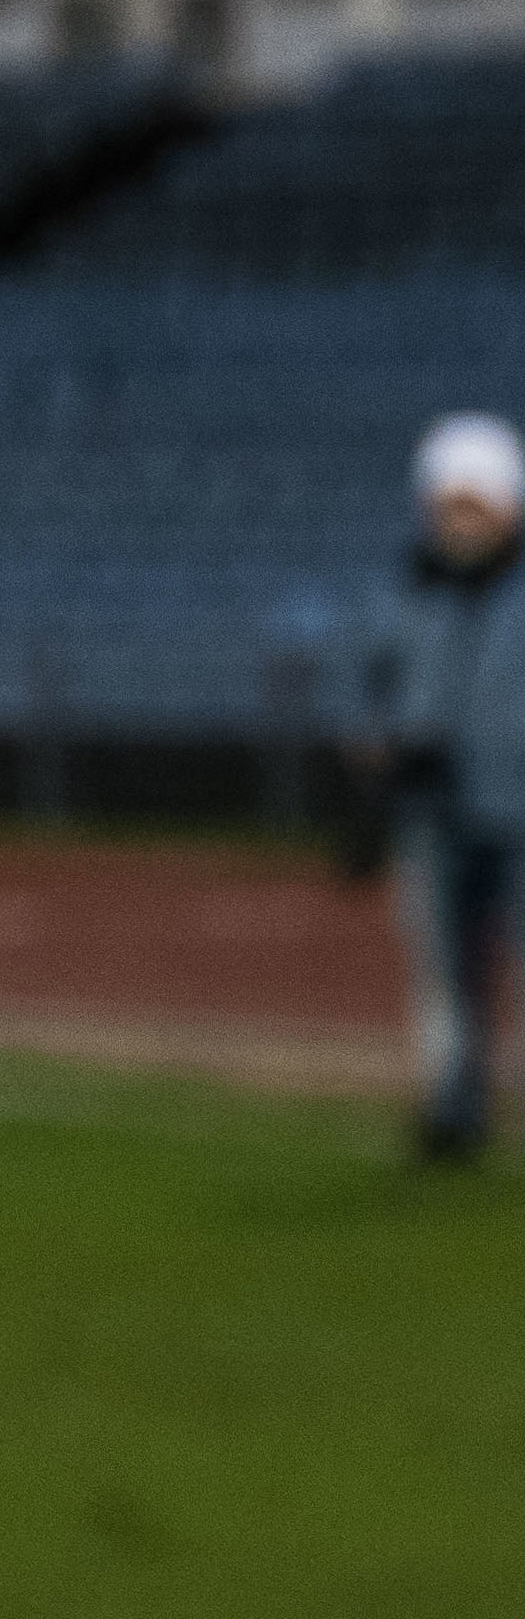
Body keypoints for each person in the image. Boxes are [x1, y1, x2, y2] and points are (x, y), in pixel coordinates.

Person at [358, 410, 525, 1159]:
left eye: (474, 505)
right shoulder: (411, 590)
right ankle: (454, 1103)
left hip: (517, 805)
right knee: (444, 969)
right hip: (436, 811)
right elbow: (378, 688)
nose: (459, 522)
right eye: (448, 506)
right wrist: (389, 758)